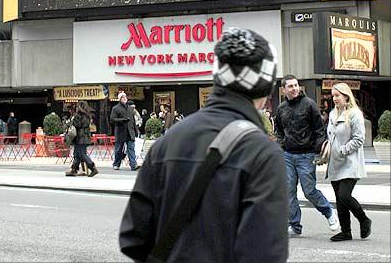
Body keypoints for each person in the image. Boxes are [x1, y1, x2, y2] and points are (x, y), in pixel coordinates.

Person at [119, 28, 288, 263]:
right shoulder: (263, 154)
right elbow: (264, 253)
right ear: (265, 89)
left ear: (217, 78)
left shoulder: (167, 142)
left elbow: (132, 237)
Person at [275, 75, 340, 237]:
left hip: (306, 155)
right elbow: (279, 131)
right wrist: (282, 144)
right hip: (288, 155)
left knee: (309, 191)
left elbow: (319, 129)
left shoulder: (309, 104)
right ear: (283, 90)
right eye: (290, 86)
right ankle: (295, 225)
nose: (295, 88)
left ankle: (329, 213)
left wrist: (319, 151)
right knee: (288, 191)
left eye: (296, 85)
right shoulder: (281, 108)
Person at [326, 83, 371, 242]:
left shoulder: (354, 114)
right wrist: (326, 151)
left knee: (344, 196)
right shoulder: (332, 114)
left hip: (350, 163)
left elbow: (359, 139)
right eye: (333, 96)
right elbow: (331, 138)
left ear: (346, 96)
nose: (334, 99)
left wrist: (343, 150)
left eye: (337, 95)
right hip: (335, 163)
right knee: (339, 199)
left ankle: (364, 219)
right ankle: (346, 232)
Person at [65, 100, 98, 177]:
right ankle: (74, 169)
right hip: (85, 137)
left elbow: (77, 125)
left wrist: (70, 122)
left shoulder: (79, 115)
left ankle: (93, 168)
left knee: (82, 154)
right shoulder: (87, 115)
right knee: (77, 154)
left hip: (80, 137)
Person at [110, 92, 139, 171]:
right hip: (120, 132)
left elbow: (133, 120)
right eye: (123, 97)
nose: (125, 98)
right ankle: (116, 164)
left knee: (131, 149)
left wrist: (136, 131)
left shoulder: (130, 108)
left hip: (130, 132)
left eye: (125, 96)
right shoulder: (115, 108)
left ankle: (133, 165)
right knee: (119, 149)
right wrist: (122, 120)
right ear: (119, 99)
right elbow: (112, 119)